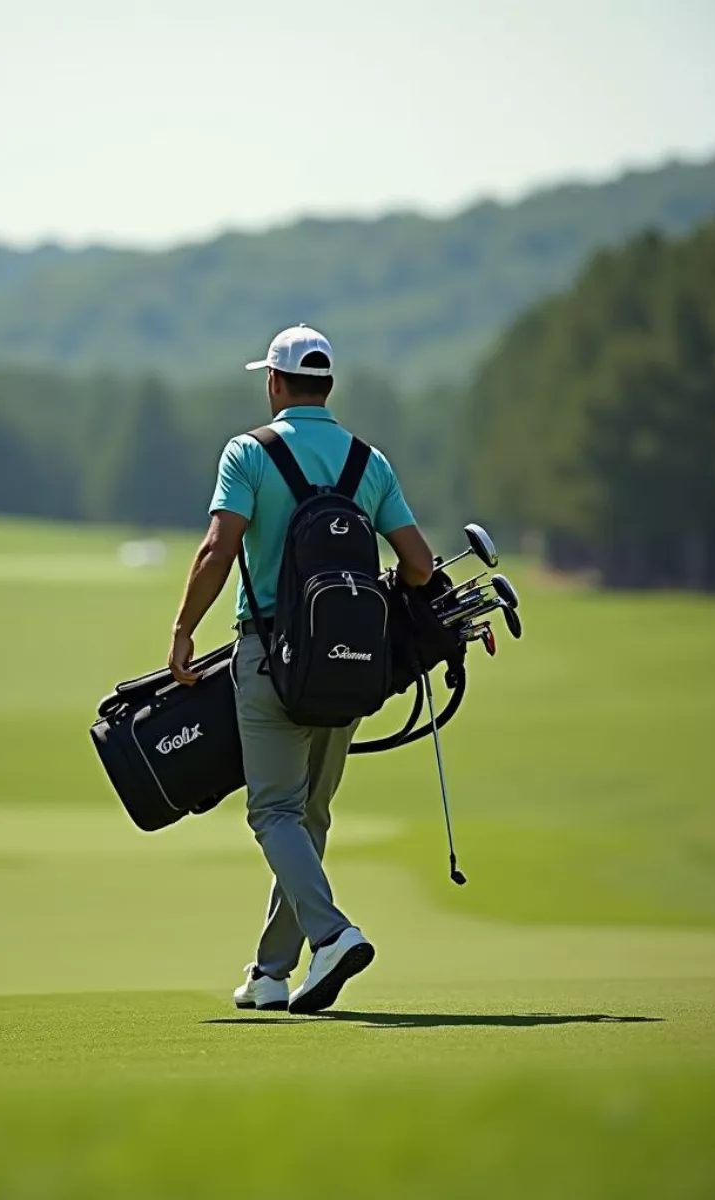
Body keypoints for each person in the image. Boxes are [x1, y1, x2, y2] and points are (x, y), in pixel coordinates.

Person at [167, 324, 434, 1014]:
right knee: (309, 815)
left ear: (274, 383)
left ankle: (332, 933)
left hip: (268, 654)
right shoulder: (368, 463)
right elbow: (419, 565)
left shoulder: (248, 453)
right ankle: (272, 973)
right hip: (349, 667)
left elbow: (219, 549)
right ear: (329, 386)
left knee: (273, 810)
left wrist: (183, 629)